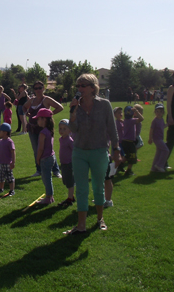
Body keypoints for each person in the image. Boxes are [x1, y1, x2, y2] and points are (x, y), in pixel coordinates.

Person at [64, 74, 120, 235]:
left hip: (99, 151)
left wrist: (116, 149)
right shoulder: (76, 105)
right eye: (78, 85)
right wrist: (73, 113)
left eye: (83, 85)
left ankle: (99, 219)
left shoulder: (104, 105)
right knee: (81, 189)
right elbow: (73, 129)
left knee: (97, 187)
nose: (80, 88)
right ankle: (81, 225)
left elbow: (112, 129)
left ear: (93, 87)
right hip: (80, 151)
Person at [23, 81, 63, 178]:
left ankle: (56, 170)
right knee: (36, 150)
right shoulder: (32, 100)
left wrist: (49, 115)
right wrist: (27, 113)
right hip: (32, 129)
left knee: (48, 150)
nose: (38, 90)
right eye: (36, 88)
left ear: (43, 88)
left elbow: (60, 107)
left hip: (44, 130)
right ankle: (39, 170)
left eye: (40, 88)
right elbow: (24, 107)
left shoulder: (46, 99)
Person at [33, 108, 56, 204]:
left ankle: (49, 197)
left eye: (39, 119)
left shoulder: (43, 133)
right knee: (47, 177)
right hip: (51, 157)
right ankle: (50, 196)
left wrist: (37, 158)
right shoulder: (50, 130)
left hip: (45, 159)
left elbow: (40, 148)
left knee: (46, 178)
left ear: (44, 119)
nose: (37, 121)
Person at [57, 119, 76, 207]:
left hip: (69, 164)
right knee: (66, 180)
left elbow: (74, 150)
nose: (62, 131)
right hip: (63, 163)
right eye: (60, 129)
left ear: (69, 130)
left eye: (64, 129)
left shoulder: (69, 140)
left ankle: (70, 199)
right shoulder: (61, 139)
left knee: (69, 182)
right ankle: (71, 196)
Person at [121, 106, 144, 176]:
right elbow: (142, 119)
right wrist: (136, 112)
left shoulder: (125, 120)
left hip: (124, 141)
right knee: (132, 157)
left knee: (127, 156)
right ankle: (128, 171)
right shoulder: (132, 121)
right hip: (130, 142)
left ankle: (118, 166)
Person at [0, 123, 15, 196]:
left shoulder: (10, 142)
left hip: (7, 163)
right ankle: (1, 188)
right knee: (0, 177)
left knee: (9, 177)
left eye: (0, 131)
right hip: (0, 163)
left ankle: (12, 190)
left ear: (5, 132)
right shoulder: (0, 142)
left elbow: (13, 152)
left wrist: (13, 162)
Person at [149, 103, 169, 172]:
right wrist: (150, 138)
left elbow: (163, 127)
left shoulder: (161, 119)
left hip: (160, 138)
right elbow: (151, 130)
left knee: (158, 152)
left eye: (160, 111)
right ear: (155, 112)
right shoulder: (155, 121)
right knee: (166, 150)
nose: (159, 113)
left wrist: (168, 124)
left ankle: (153, 168)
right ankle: (159, 165)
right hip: (157, 139)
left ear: (163, 112)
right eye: (157, 111)